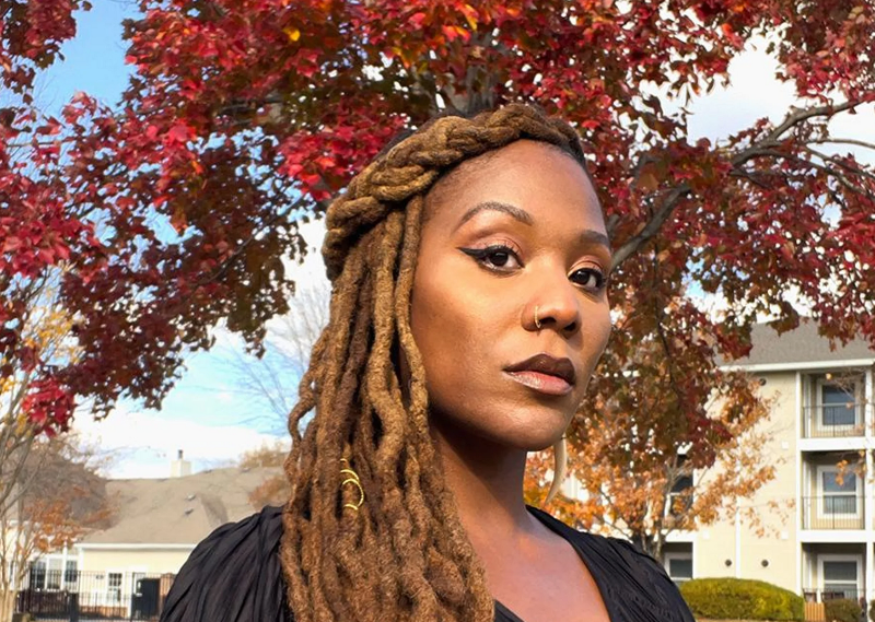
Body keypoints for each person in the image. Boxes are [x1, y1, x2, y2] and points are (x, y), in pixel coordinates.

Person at [160, 104, 696, 622]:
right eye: (499, 256)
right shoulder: (263, 580)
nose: (564, 306)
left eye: (588, 276)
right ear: (389, 288)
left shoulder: (645, 591)